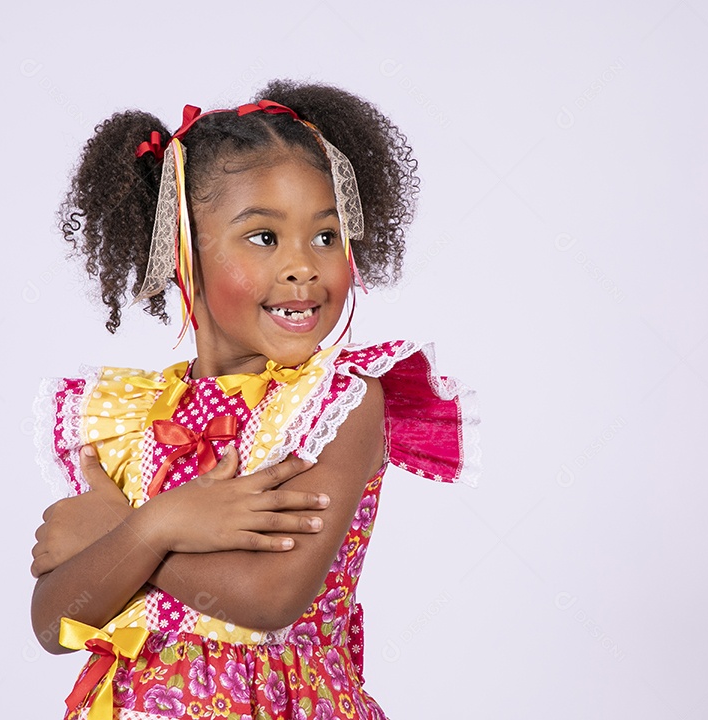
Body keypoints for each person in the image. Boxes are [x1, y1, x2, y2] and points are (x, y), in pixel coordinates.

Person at [30, 80, 479, 720]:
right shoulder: (128, 419)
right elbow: (55, 624)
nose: (304, 266)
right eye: (264, 237)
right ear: (184, 254)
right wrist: (149, 530)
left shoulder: (337, 406)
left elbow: (270, 598)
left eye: (326, 236)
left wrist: (136, 530)